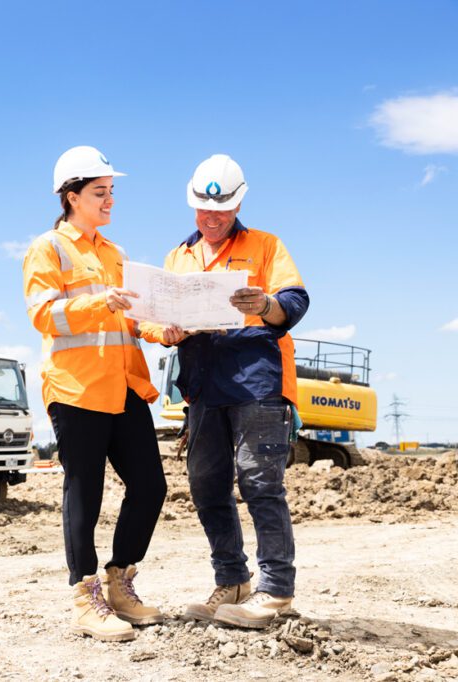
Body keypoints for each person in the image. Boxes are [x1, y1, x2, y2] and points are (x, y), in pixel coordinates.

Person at [143, 154, 309, 629]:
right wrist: (165, 333)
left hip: (257, 380)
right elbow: (153, 317)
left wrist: (267, 303)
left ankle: (276, 590)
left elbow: (295, 301)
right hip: (203, 386)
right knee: (206, 485)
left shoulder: (266, 246)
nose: (211, 219)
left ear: (237, 205)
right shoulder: (179, 256)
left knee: (260, 482)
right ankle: (232, 581)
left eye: (220, 211)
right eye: (202, 210)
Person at [23, 145, 168, 642]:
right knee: (85, 491)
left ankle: (120, 584)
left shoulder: (115, 253)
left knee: (151, 486)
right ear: (71, 197)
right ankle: (85, 598)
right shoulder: (49, 248)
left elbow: (128, 318)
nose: (110, 200)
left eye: (112, 192)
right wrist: (96, 302)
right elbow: (44, 314)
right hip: (76, 387)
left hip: (122, 385)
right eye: (100, 192)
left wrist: (162, 331)